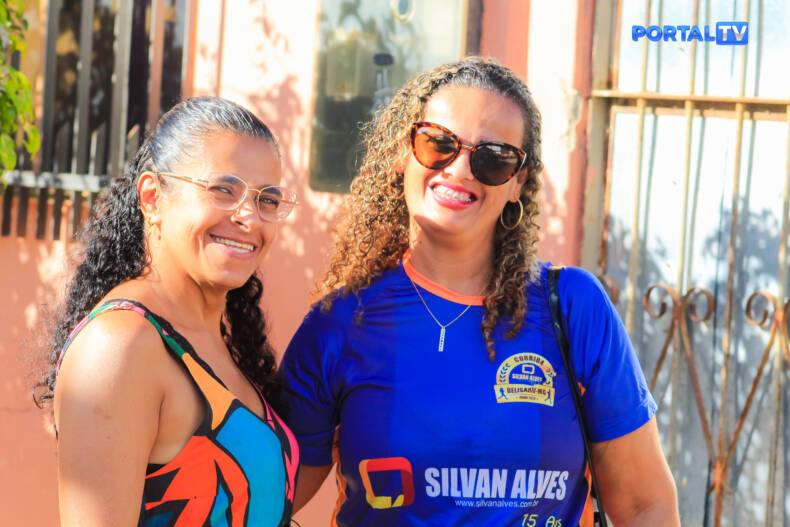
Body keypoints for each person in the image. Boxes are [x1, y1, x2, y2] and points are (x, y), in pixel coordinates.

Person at [280, 57, 679, 526]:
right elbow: (263, 497)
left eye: (492, 158)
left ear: (517, 183)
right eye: (438, 143)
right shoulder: (340, 324)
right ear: (403, 151)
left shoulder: (572, 308)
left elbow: (644, 505)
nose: (460, 169)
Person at [35, 97, 299, 526]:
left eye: (267, 199)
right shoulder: (120, 346)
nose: (249, 217)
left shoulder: (212, 337)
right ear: (153, 197)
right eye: (223, 190)